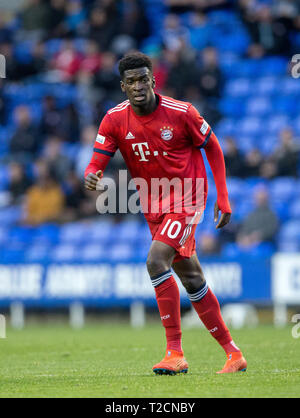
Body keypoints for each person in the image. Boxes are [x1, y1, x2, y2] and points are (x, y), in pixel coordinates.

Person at [84, 52, 246, 375]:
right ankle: (233, 353)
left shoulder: (181, 112)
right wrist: (92, 173)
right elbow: (97, 159)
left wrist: (223, 198)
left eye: (143, 79)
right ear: (123, 86)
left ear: (153, 80)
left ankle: (174, 352)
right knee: (192, 277)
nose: (138, 86)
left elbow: (212, 146)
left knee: (156, 260)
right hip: (153, 207)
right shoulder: (114, 119)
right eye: (131, 82)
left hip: (188, 199)